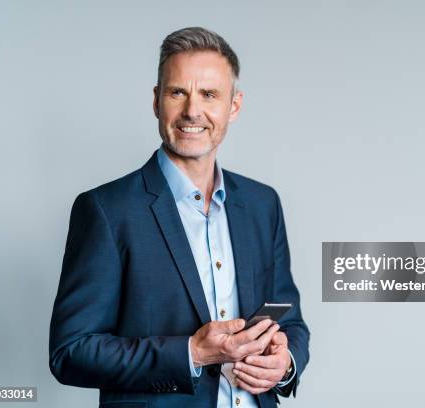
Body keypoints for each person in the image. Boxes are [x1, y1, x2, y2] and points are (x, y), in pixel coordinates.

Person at [49, 27, 310, 408]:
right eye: (177, 92)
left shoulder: (262, 204)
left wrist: (284, 363)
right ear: (157, 102)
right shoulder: (106, 210)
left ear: (233, 106)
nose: (192, 110)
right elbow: (70, 352)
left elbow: (290, 321)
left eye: (209, 94)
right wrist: (192, 352)